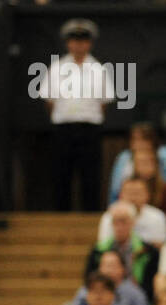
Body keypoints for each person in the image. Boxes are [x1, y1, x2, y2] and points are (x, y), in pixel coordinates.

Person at [40, 19, 115, 211]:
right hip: (63, 128)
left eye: (83, 40)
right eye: (74, 40)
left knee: (90, 175)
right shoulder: (56, 68)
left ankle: (90, 217)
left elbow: (104, 102)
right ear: (67, 43)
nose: (78, 45)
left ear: (89, 43)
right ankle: (60, 217)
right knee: (60, 175)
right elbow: (49, 101)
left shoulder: (99, 69)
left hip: (89, 128)